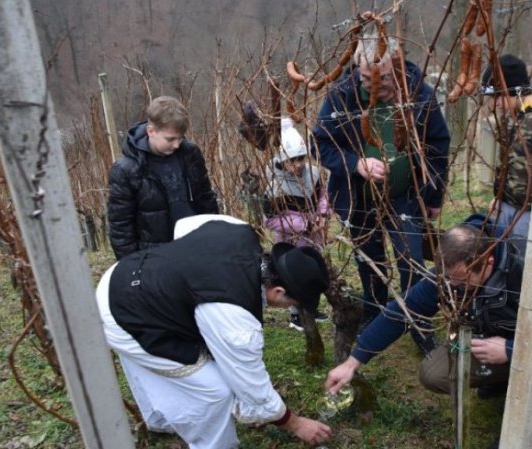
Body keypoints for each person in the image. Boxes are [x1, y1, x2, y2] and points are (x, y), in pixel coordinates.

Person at [325, 214, 532, 439]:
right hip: (497, 342)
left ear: (487, 262)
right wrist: (353, 362)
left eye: (460, 281)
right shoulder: (454, 270)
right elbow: (402, 312)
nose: (452, 288)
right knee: (435, 374)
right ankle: (504, 380)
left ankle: (513, 437)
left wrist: (514, 350)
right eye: (448, 280)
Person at [95, 215, 332, 448]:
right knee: (214, 391)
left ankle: (158, 420)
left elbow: (183, 225)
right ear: (278, 291)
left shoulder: (237, 229)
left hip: (122, 274)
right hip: (126, 316)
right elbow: (251, 385)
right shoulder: (236, 319)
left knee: (156, 364)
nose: (288, 308)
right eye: (292, 304)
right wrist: (295, 423)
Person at [313, 30, 450, 353]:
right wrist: (354, 163)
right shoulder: (341, 96)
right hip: (359, 199)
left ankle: (418, 322)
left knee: (412, 260)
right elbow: (321, 142)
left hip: (406, 195)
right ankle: (375, 313)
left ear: (397, 66)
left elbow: (438, 145)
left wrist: (433, 196)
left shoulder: (419, 93)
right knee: (368, 259)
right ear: (358, 70)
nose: (375, 85)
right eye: (366, 77)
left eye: (384, 77)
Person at [107, 96, 218, 260]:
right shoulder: (125, 171)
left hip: (196, 247)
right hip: (155, 258)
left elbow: (206, 199)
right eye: (170, 139)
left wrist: (214, 237)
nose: (177, 145)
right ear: (151, 131)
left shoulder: (190, 154)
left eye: (180, 138)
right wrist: (133, 266)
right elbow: (121, 227)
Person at [263, 118, 330, 330]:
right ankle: (295, 314)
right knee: (291, 275)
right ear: (282, 160)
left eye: (301, 158)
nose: (298, 164)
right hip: (290, 237)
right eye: (292, 160)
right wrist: (301, 225)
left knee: (312, 268)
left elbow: (323, 196)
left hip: (314, 234)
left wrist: (323, 214)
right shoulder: (275, 186)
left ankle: (312, 306)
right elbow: (270, 220)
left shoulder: (314, 173)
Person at [483, 54, 532, 237]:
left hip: (531, 212)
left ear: (516, 91)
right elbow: (505, 162)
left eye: (498, 97)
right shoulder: (510, 118)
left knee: (520, 260)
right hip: (505, 207)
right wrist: (499, 197)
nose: (494, 104)